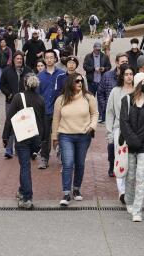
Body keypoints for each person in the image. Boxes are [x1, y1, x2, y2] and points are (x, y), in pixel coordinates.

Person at [52, 73, 99, 206]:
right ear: (71, 83)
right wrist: (54, 137)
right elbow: (56, 119)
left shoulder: (88, 97)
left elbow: (95, 113)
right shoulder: (61, 99)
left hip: (84, 136)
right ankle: (66, 193)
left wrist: (92, 127)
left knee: (80, 163)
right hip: (65, 135)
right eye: (77, 81)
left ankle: (76, 189)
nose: (79, 83)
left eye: (81, 81)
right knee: (68, 163)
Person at [5, 73, 45, 208]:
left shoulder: (18, 98)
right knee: (26, 166)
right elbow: (43, 121)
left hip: (22, 136)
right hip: (36, 137)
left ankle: (27, 197)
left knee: (25, 167)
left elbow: (10, 118)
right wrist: (43, 139)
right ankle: (22, 191)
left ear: (25, 84)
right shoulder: (40, 99)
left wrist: (5, 137)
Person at [121, 72, 144, 222]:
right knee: (130, 176)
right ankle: (129, 200)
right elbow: (124, 122)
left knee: (141, 177)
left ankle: (137, 209)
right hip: (130, 145)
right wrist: (133, 139)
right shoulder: (127, 100)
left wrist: (139, 140)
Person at [37, 49, 67, 169]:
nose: (49, 59)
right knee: (45, 136)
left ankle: (62, 157)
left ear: (55, 59)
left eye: (51, 57)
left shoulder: (61, 75)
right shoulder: (39, 76)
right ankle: (44, 158)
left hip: (59, 111)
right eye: (47, 57)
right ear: (44, 59)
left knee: (60, 134)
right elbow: (37, 95)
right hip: (44, 111)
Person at [0, 52, 33, 158]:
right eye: (17, 58)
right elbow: (2, 84)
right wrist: (8, 94)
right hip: (10, 101)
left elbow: (32, 83)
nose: (19, 60)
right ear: (13, 60)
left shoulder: (28, 70)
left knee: (23, 124)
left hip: (24, 102)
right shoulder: (7, 71)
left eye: (21, 59)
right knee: (10, 123)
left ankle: (20, 148)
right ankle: (9, 149)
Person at [106, 66, 135, 186]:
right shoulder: (116, 91)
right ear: (122, 76)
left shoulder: (138, 91)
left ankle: (130, 189)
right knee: (120, 160)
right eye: (126, 74)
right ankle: (122, 191)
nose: (129, 76)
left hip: (136, 131)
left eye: (131, 74)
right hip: (119, 129)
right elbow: (110, 112)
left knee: (133, 161)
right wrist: (110, 133)